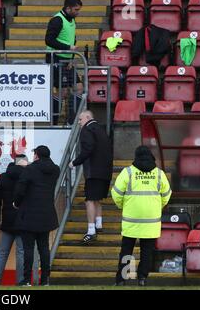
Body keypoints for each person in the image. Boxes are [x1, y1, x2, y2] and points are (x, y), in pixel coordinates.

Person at [111, 146, 171, 286]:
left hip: (131, 219)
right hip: (151, 220)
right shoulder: (159, 174)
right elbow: (167, 194)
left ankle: (123, 279)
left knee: (127, 250)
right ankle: (142, 278)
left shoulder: (128, 172)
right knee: (147, 251)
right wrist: (157, 206)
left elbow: (116, 193)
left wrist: (122, 206)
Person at [14, 146, 60, 286]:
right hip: (46, 214)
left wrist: (17, 203)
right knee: (44, 248)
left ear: (36, 155)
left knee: (28, 248)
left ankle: (27, 279)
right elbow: (45, 170)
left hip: (29, 214)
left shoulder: (30, 169)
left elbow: (20, 189)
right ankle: (45, 279)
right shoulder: (55, 170)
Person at [69, 110, 113, 244]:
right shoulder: (101, 129)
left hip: (94, 171)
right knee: (97, 199)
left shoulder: (87, 129)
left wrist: (75, 162)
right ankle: (98, 224)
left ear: (88, 118)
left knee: (89, 200)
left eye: (80, 120)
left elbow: (88, 149)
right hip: (105, 172)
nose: (79, 123)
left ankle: (91, 230)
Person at [45, 0, 83, 125]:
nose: (78, 12)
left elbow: (72, 38)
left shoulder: (72, 20)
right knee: (62, 92)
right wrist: (68, 48)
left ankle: (71, 121)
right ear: (68, 8)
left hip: (67, 60)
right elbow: (49, 40)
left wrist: (71, 58)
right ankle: (54, 122)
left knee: (78, 87)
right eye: (76, 9)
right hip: (55, 59)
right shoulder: (57, 20)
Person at [0, 154, 28, 286]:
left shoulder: (3, 177)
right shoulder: (27, 177)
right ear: (25, 163)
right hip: (23, 220)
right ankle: (20, 283)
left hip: (7, 220)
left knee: (2, 254)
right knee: (21, 253)